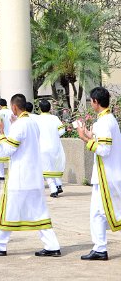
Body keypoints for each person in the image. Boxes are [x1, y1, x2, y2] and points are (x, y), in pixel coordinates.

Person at [0, 93, 61, 257]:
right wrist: (13, 126)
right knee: (39, 212)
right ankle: (52, 246)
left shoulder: (20, 125)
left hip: (20, 177)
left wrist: (1, 134)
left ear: (14, 107)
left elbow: (8, 149)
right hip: (34, 176)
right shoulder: (32, 122)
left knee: (7, 211)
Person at [76, 86, 121, 261]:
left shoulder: (104, 122)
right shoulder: (108, 119)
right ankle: (100, 248)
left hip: (106, 175)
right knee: (99, 213)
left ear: (95, 102)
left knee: (104, 212)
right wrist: (90, 135)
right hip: (105, 174)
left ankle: (100, 248)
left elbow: (104, 150)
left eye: (91, 101)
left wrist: (84, 138)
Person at [35, 99, 65, 198]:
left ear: (40, 109)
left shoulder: (37, 119)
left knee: (46, 169)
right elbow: (62, 131)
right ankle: (58, 184)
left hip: (42, 147)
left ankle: (53, 189)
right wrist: (54, 136)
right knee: (54, 166)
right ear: (50, 108)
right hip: (55, 146)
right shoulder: (55, 118)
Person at [0, 98, 11, 182]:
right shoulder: (11, 112)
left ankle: (0, 175)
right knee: (11, 156)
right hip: (10, 135)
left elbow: (0, 123)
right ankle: (11, 174)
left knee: (0, 156)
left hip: (1, 135)